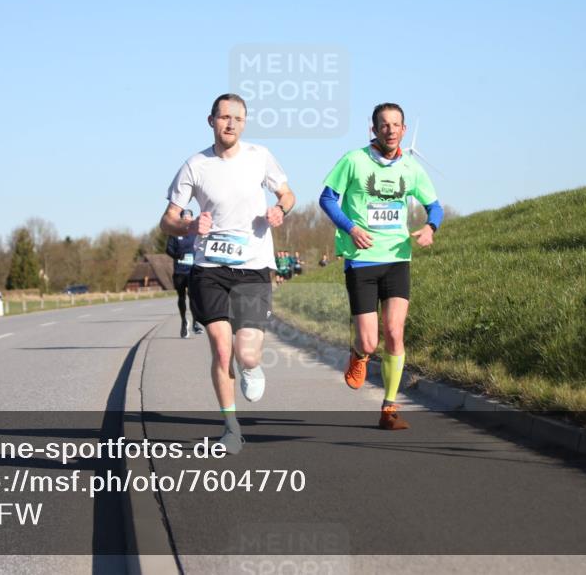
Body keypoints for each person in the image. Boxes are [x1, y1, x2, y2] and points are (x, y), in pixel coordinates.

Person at [160, 93, 295, 454]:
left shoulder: (259, 157)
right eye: (223, 117)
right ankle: (231, 428)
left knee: (246, 354)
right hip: (210, 269)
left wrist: (280, 209)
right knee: (222, 350)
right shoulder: (195, 165)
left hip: (252, 268)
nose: (230, 123)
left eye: (237, 118)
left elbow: (287, 193)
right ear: (211, 121)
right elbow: (168, 219)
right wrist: (188, 226)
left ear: (244, 122)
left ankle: (250, 367)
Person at [318, 102, 444, 430]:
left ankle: (389, 408)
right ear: (374, 130)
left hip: (398, 258)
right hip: (361, 260)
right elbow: (327, 198)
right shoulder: (354, 160)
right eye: (383, 125)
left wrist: (430, 227)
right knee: (371, 342)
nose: (390, 130)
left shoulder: (412, 168)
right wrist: (351, 228)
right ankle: (359, 354)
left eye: (396, 124)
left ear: (403, 130)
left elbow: (435, 206)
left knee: (395, 331)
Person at [165, 209, 203, 338]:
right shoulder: (175, 234)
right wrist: (177, 255)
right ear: (180, 219)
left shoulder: (197, 233)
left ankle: (195, 323)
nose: (187, 219)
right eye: (184, 217)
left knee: (193, 297)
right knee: (182, 298)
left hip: (193, 270)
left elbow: (202, 248)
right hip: (180, 271)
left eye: (189, 217)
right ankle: (183, 321)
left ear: (192, 219)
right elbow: (168, 249)